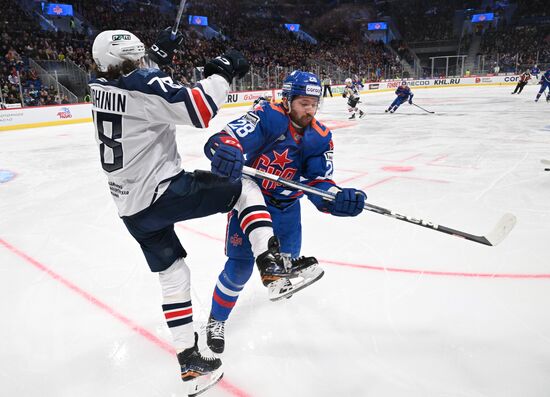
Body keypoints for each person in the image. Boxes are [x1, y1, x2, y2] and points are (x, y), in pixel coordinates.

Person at [88, 29, 318, 393]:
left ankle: (191, 364)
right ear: (134, 59)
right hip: (162, 192)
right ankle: (272, 265)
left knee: (174, 274)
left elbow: (137, 82)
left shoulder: (99, 83)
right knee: (244, 186)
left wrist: (158, 58)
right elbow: (198, 109)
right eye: (139, 58)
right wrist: (221, 71)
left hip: (130, 207)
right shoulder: (142, 83)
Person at [203, 71, 367, 354]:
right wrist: (226, 151)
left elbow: (319, 182)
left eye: (314, 103)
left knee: (285, 263)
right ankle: (216, 320)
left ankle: (285, 271)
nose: (310, 109)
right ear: (288, 99)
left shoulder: (320, 137)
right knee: (240, 269)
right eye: (304, 102)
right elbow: (223, 138)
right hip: (252, 202)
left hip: (288, 207)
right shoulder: (268, 118)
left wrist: (337, 198)